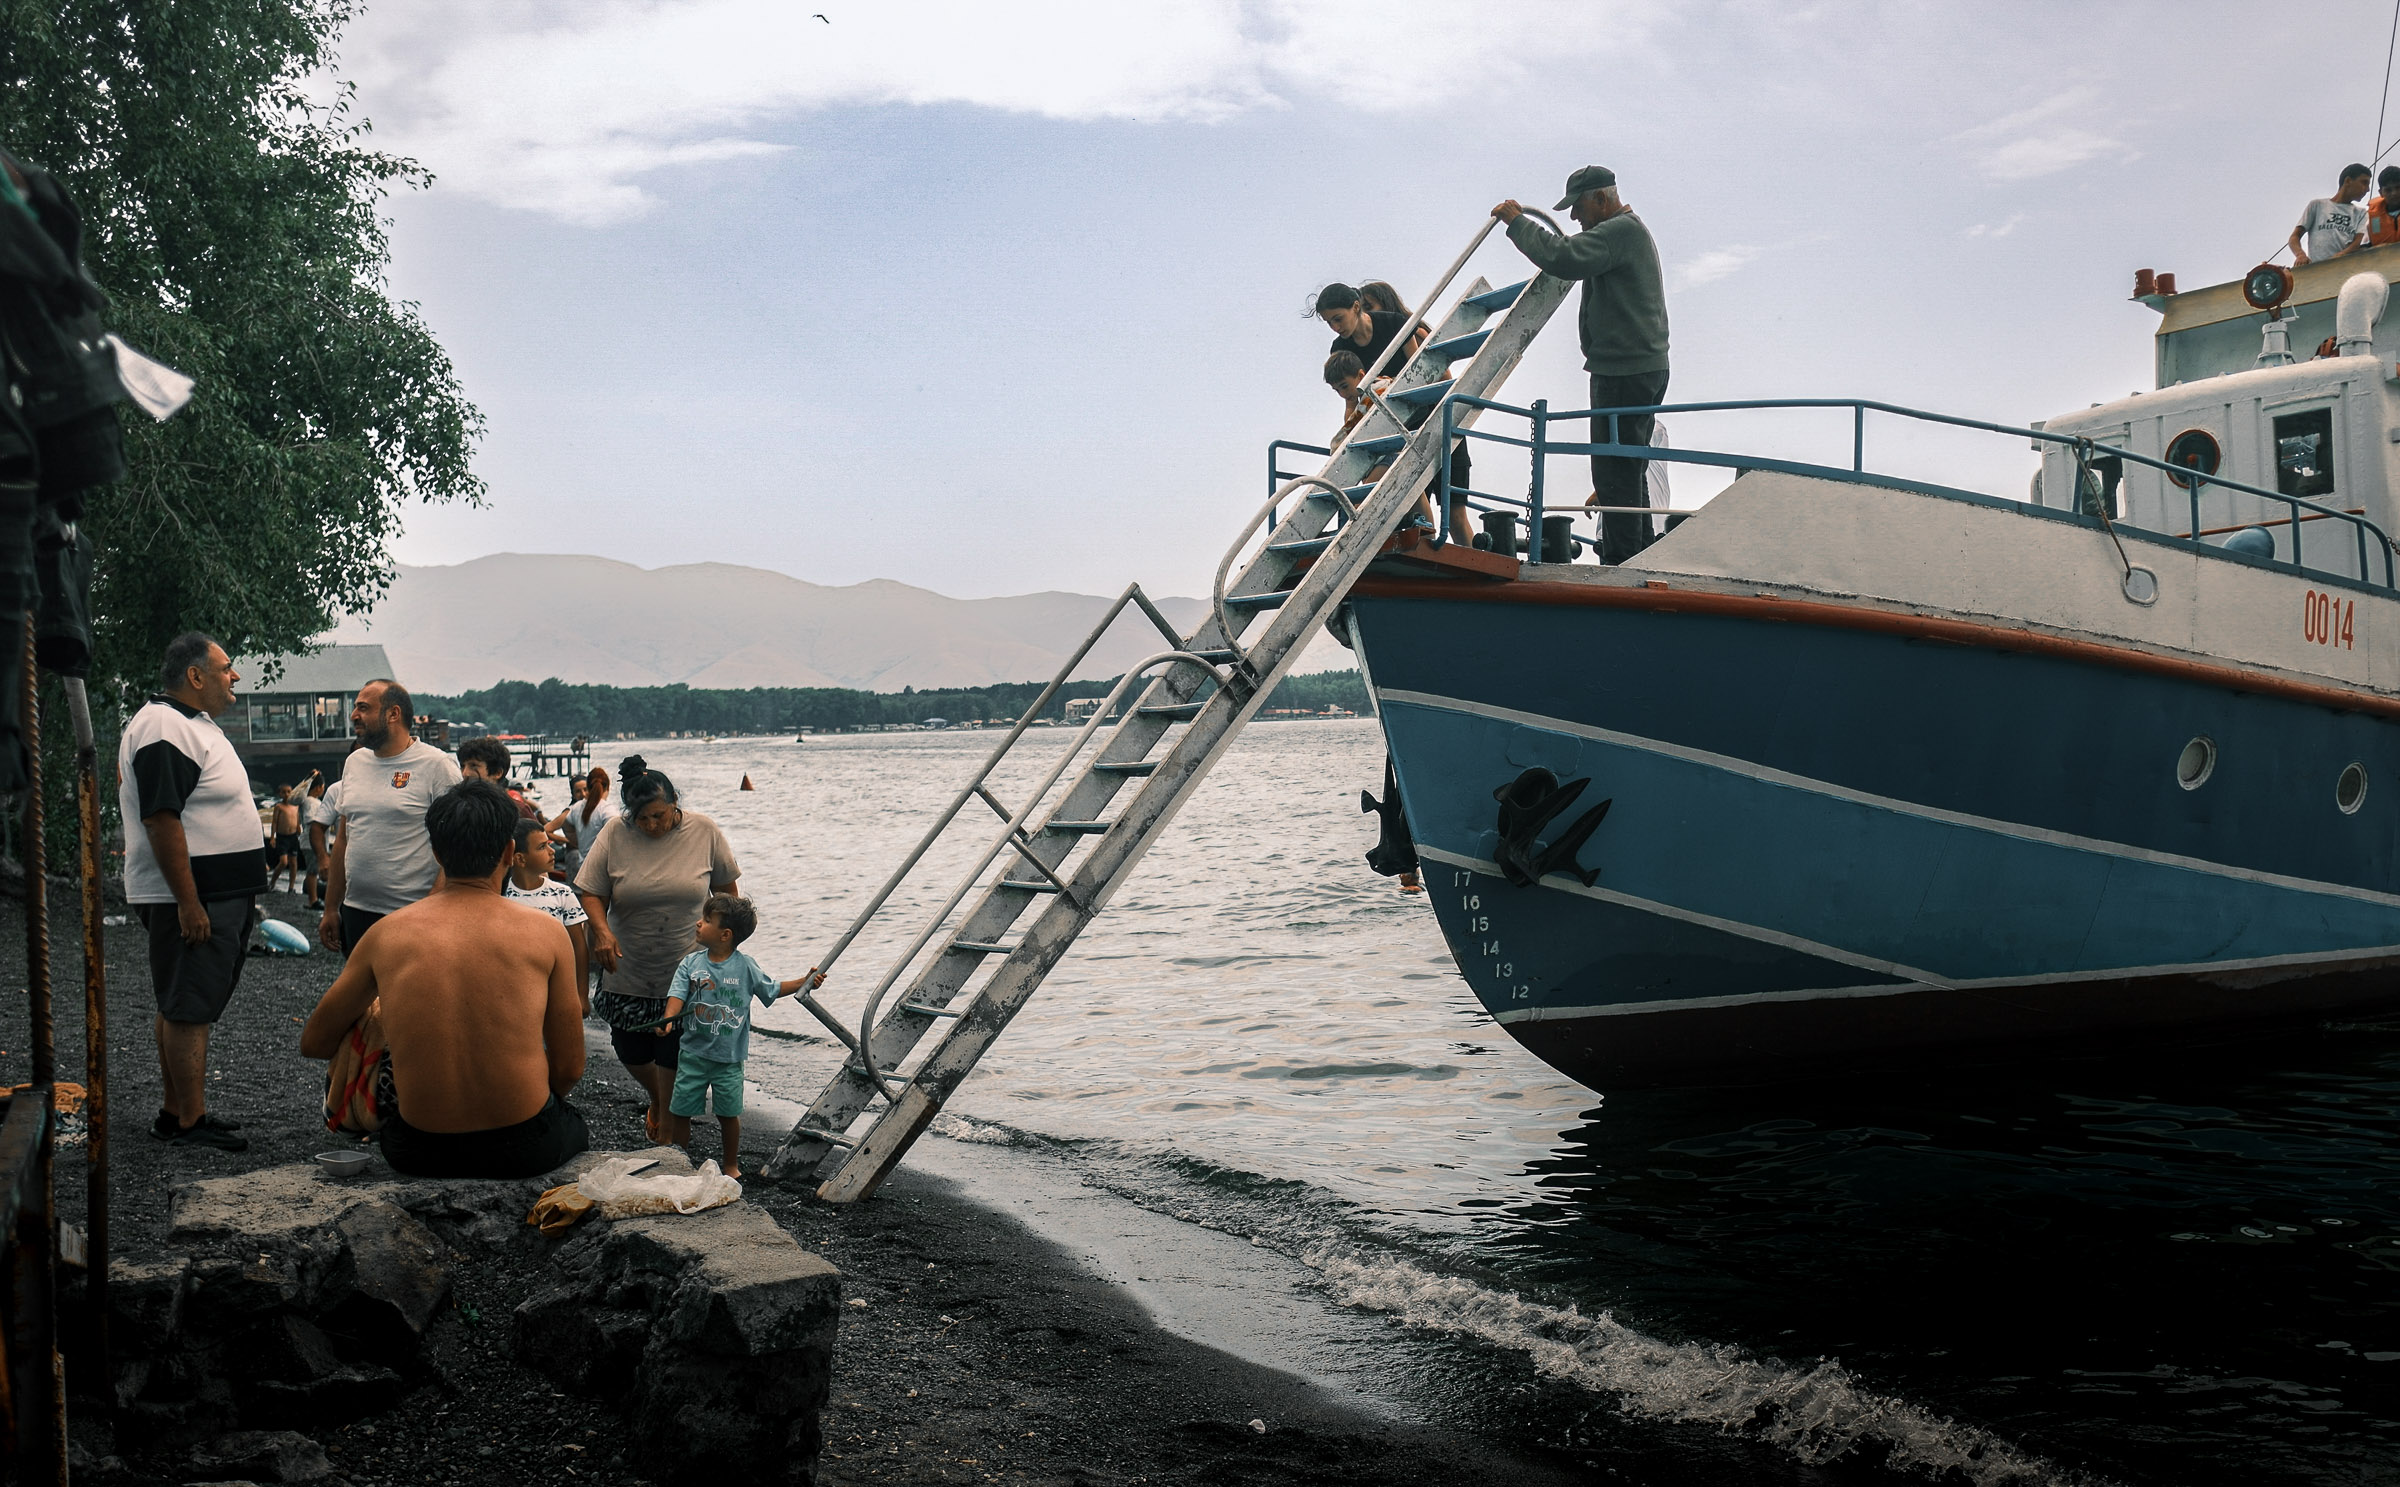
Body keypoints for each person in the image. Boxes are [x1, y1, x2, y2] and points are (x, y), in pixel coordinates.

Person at [302, 779, 589, 1179]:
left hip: (418, 1150)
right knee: (574, 1126)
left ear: (436, 853)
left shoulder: (387, 934)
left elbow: (315, 1042)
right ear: (510, 852)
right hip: (524, 1148)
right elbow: (570, 1068)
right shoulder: (547, 932)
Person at [118, 633, 266, 1152]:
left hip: (212, 894)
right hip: (194, 896)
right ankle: (189, 1121)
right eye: (226, 668)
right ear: (195, 676)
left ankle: (176, 1111)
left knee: (180, 1001)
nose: (235, 676)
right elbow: (161, 818)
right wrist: (188, 902)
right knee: (188, 1005)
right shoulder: (164, 727)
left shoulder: (188, 724)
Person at [1495, 165, 1671, 564]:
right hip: (1636, 367)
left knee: (1614, 471)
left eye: (1578, 206)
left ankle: (1622, 562)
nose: (1574, 216)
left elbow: (1565, 257)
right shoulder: (1625, 233)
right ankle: (1637, 555)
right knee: (1628, 466)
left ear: (1601, 199)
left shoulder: (1619, 232)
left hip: (1625, 370)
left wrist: (1517, 223)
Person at [573, 758, 740, 1143]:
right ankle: (660, 1102)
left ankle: (671, 1141)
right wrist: (601, 932)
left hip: (689, 971)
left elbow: (727, 895)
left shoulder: (704, 831)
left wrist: (725, 948)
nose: (650, 825)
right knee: (630, 1050)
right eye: (642, 818)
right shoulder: (615, 832)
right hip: (628, 968)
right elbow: (591, 892)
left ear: (674, 802)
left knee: (675, 1058)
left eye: (659, 816)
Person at [657, 893, 823, 1178]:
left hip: (729, 1059)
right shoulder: (690, 964)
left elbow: (772, 989)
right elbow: (677, 995)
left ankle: (730, 1165)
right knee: (681, 1111)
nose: (698, 923)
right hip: (692, 1054)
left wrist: (804, 981)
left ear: (725, 935)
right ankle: (680, 1160)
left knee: (728, 1114)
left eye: (707, 920)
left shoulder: (746, 966)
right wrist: (668, 1019)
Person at [1317, 282, 1475, 542]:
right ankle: (1425, 544)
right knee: (1409, 492)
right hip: (1394, 430)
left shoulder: (1394, 324)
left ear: (1355, 307)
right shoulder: (1341, 349)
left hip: (1433, 416)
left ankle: (1470, 565)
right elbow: (1351, 400)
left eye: (1338, 318)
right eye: (1329, 323)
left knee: (1456, 514)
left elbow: (1424, 372)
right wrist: (1349, 434)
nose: (1335, 327)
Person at [318, 679, 464, 955]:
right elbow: (344, 839)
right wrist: (331, 907)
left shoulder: (437, 765)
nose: (353, 715)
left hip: (413, 912)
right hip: (356, 911)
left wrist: (435, 906)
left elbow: (458, 845)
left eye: (363, 708)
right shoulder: (354, 762)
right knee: (361, 986)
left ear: (393, 713)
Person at [506, 818, 592, 1013]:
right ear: (520, 859)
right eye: (542, 847)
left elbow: (579, 947)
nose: (552, 851)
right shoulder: (502, 895)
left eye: (549, 844)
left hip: (557, 991)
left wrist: (581, 995)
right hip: (515, 995)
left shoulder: (562, 894)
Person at [2291, 164, 2372, 267]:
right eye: (2364, 183)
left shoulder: (2361, 213)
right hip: (2316, 269)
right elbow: (2294, 236)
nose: (2368, 189)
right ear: (2348, 181)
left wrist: (2341, 255)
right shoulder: (2317, 205)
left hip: (2343, 267)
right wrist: (2300, 255)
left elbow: (2357, 242)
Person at [457, 735, 546, 823]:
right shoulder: (455, 809)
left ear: (497, 773)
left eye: (473, 766)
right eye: (462, 766)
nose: (465, 773)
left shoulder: (517, 811)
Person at [562, 764, 616, 880]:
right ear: (608, 787)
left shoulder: (576, 807)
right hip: (602, 871)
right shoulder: (606, 809)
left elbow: (565, 823)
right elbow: (616, 833)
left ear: (588, 787)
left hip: (584, 868)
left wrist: (577, 841)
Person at [304, 772, 337, 911]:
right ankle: (313, 900)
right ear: (318, 788)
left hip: (314, 843)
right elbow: (313, 823)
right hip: (311, 844)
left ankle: (316, 898)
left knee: (315, 872)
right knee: (312, 871)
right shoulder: (311, 802)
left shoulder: (313, 802)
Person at [269, 784, 305, 894]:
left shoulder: (295, 806)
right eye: (283, 792)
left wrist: (299, 830)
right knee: (283, 862)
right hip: (282, 837)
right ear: (280, 794)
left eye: (289, 791)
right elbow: (274, 822)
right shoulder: (279, 807)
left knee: (293, 863)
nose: (286, 794)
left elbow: (297, 820)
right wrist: (272, 837)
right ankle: (272, 883)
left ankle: (291, 887)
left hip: (293, 837)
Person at [2369, 166, 2400, 247]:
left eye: (2398, 188)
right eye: (2388, 190)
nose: (2394, 193)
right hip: (2383, 254)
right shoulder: (2371, 217)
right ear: (2381, 193)